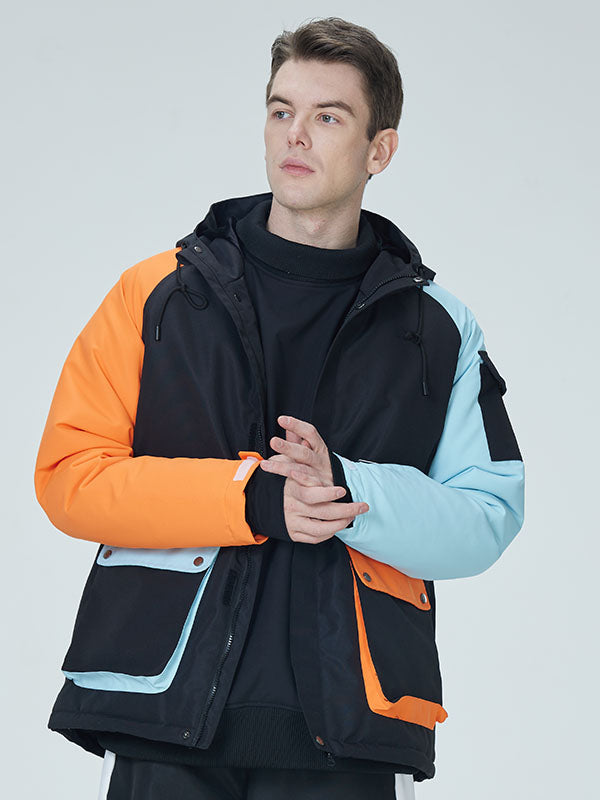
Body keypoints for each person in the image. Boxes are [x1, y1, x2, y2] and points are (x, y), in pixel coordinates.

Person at [33, 16, 525, 800]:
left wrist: (346, 490)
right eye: (280, 110)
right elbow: (70, 475)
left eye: (328, 116)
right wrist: (254, 498)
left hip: (349, 729)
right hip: (164, 716)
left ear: (379, 150)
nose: (295, 134)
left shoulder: (438, 327)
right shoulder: (156, 293)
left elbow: (489, 512)